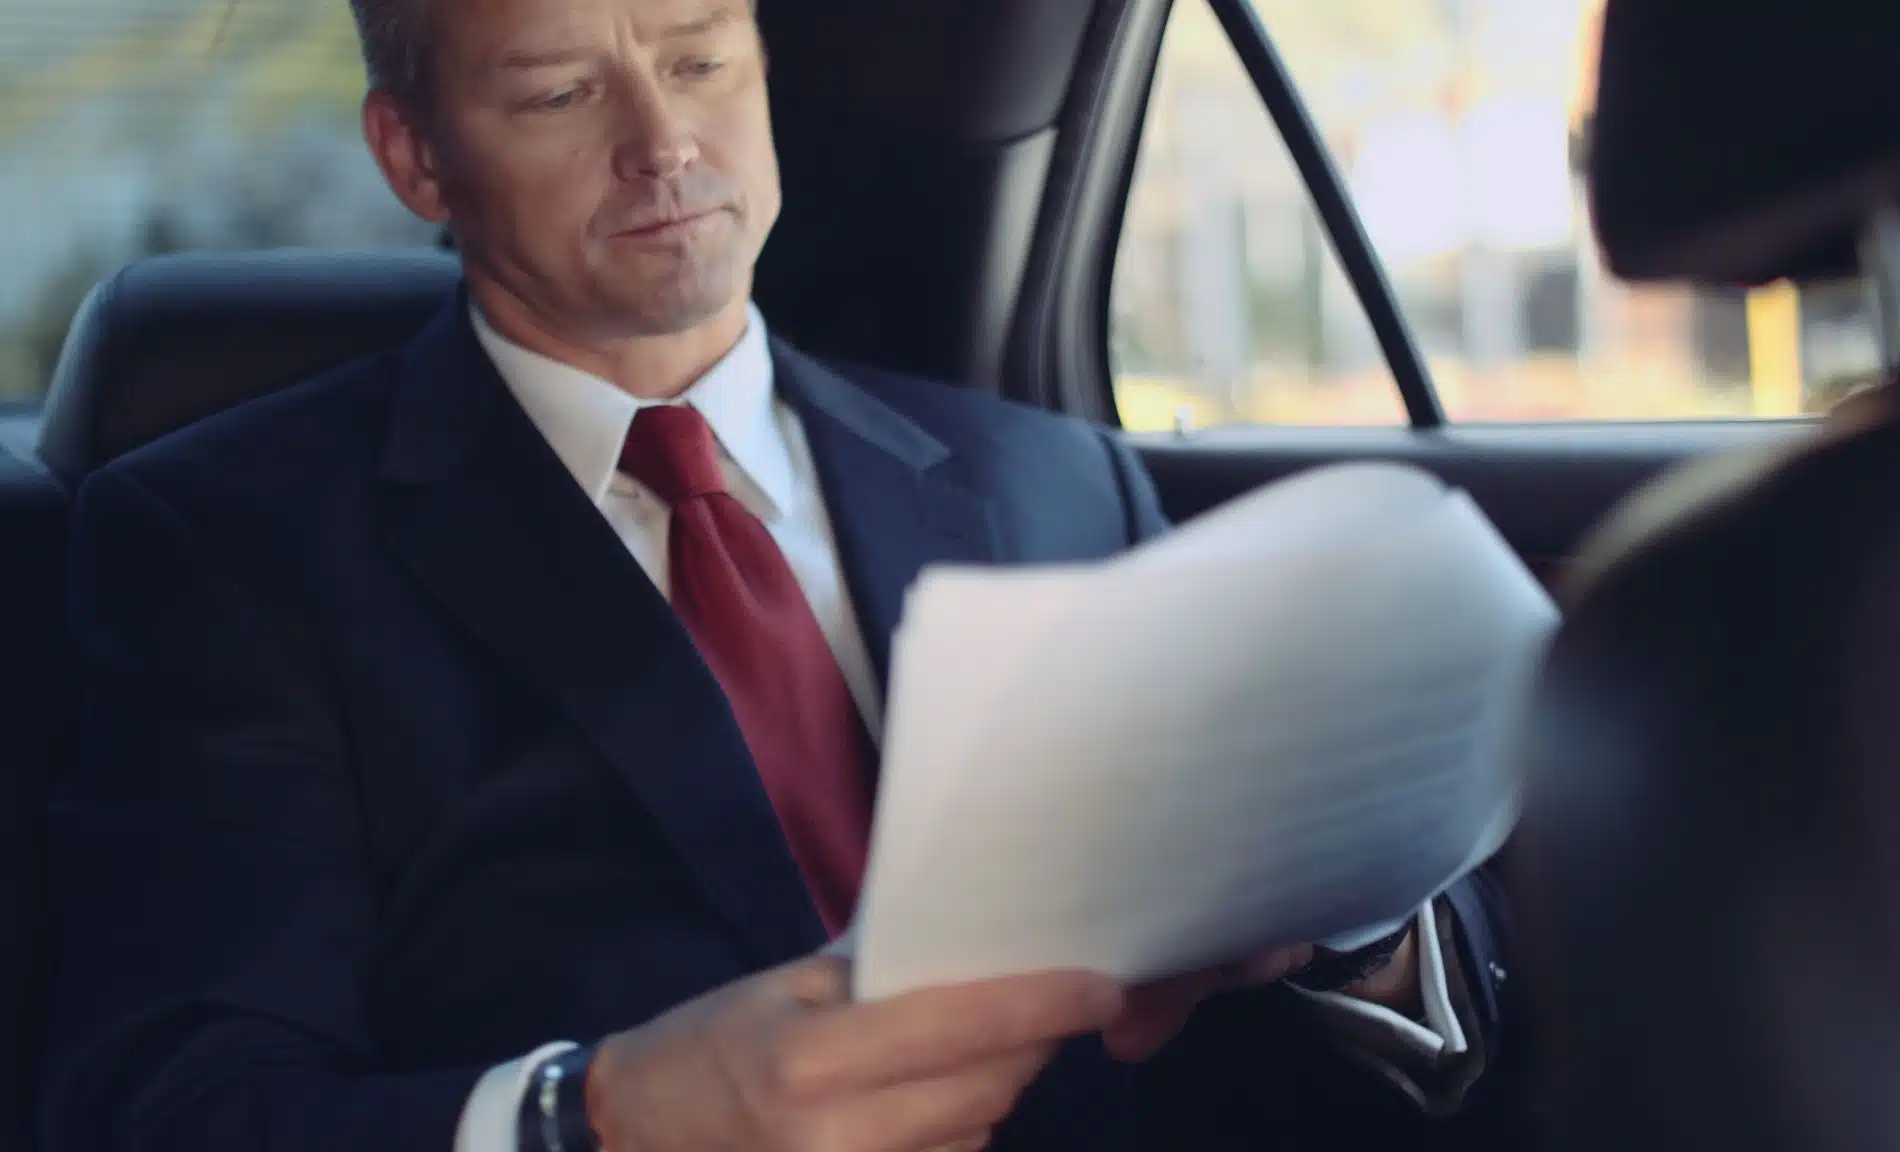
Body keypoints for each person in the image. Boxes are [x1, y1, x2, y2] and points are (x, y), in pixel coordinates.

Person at [41, 0, 1519, 1148]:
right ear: (416, 155)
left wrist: (1358, 929)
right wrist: (598, 1117)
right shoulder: (226, 548)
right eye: (559, 91)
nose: (661, 142)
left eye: (699, 60)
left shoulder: (1050, 478)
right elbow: (174, 1112)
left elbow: (1299, 1082)